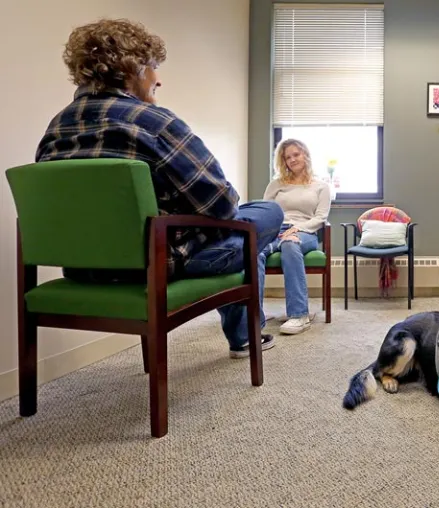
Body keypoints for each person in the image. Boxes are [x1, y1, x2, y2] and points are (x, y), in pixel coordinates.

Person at [35, 18, 284, 356]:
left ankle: (244, 334)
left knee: (247, 233)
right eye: (152, 67)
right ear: (132, 68)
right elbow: (222, 205)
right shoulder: (154, 122)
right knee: (266, 214)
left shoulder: (54, 130)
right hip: (159, 264)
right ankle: (244, 337)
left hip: (84, 267)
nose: (158, 78)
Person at [262, 139, 331, 335]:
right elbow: (265, 212)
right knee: (255, 251)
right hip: (275, 230)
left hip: (305, 231)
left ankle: (299, 315)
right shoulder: (276, 184)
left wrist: (296, 228)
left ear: (305, 155)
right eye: (287, 157)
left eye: (296, 154)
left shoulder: (321, 186)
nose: (292, 160)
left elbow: (320, 218)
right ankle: (254, 315)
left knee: (290, 245)